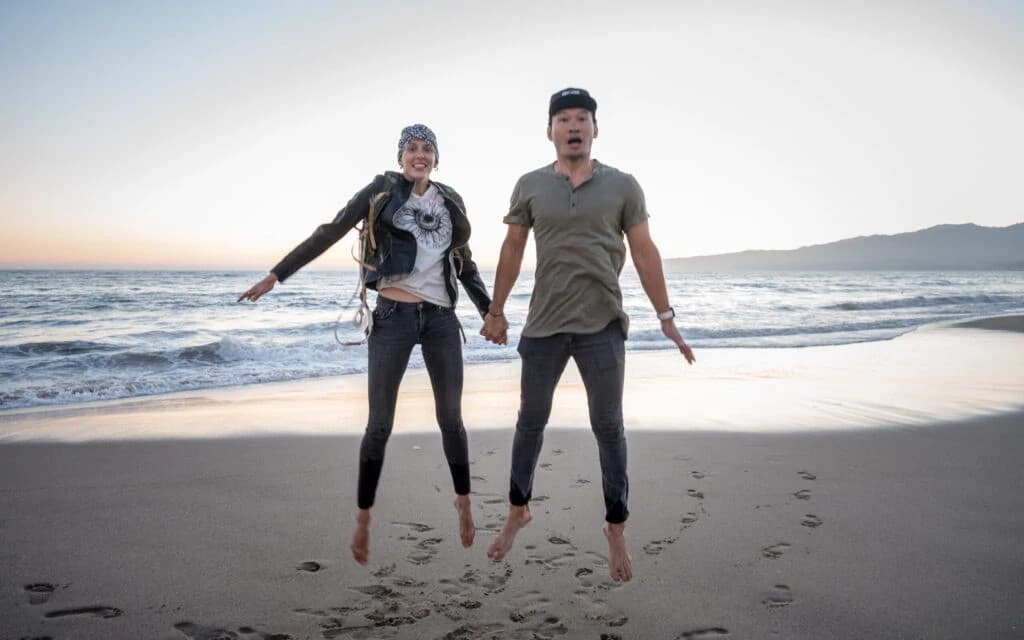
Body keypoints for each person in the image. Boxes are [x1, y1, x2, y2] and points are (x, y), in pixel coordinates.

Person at [239, 124, 492, 565]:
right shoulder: (382, 190)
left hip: (441, 321)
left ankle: (464, 501)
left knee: (451, 418)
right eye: (411, 148)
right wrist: (277, 275)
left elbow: (464, 263)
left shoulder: (450, 200)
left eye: (426, 149)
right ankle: (363, 517)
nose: (419, 154)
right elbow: (332, 229)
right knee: (379, 424)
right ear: (400, 158)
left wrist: (491, 311)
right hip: (393, 317)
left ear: (436, 158)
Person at [480, 88, 696, 582]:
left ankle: (615, 526)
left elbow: (644, 251)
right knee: (529, 422)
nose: (573, 126)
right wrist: (495, 311)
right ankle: (518, 509)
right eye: (563, 119)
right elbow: (513, 247)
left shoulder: (623, 186)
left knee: (609, 427)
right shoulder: (530, 185)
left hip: (602, 325)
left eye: (582, 119)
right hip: (544, 326)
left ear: (596, 129)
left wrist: (666, 316)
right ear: (550, 130)